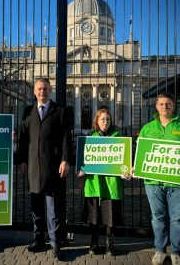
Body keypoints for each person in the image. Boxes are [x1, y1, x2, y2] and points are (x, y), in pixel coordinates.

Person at [137, 92, 180, 265]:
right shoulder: (148, 128)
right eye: (161, 104)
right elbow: (140, 152)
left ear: (173, 106)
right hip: (153, 183)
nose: (165, 106)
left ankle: (175, 252)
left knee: (178, 219)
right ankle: (159, 250)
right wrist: (135, 166)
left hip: (177, 182)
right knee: (157, 217)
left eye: (168, 104)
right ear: (156, 106)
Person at [18, 78, 71, 261]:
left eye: (46, 89)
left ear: (50, 90)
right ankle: (38, 239)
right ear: (34, 91)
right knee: (36, 207)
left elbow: (66, 138)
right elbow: (23, 139)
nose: (43, 92)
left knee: (53, 207)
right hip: (33, 166)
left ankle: (55, 243)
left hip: (53, 167)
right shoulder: (27, 111)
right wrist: (21, 160)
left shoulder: (61, 111)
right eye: (39, 89)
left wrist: (65, 160)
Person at [79, 108, 129, 256]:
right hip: (94, 183)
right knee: (94, 215)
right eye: (102, 119)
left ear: (111, 121)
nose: (105, 122)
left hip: (112, 183)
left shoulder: (118, 137)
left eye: (107, 119)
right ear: (97, 121)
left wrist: (125, 171)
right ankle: (94, 242)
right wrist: (80, 169)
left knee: (110, 215)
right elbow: (82, 160)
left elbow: (124, 161)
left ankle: (109, 243)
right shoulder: (90, 138)